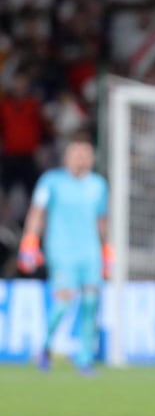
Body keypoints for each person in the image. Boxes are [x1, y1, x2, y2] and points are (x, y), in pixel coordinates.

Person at [17, 131, 113, 375]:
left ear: (91, 157)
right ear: (67, 157)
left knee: (91, 302)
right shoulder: (52, 181)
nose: (81, 158)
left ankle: (84, 357)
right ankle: (46, 347)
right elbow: (37, 212)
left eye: (85, 154)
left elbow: (102, 220)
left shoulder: (98, 185)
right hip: (61, 250)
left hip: (90, 251)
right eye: (76, 153)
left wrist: (106, 250)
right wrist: (30, 240)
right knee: (63, 300)